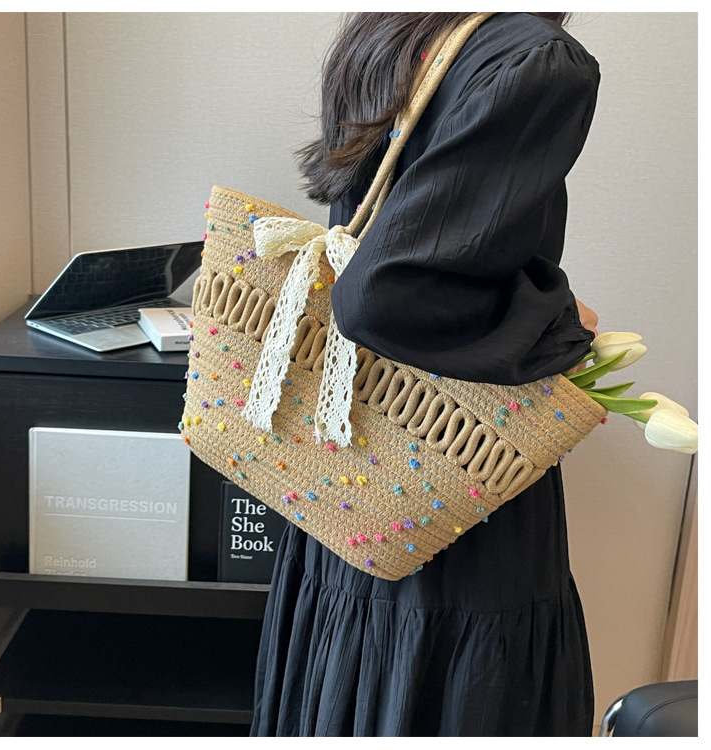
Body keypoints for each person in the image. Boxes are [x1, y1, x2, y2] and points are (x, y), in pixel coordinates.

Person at [250, 11, 601, 737]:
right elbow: (381, 296)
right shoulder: (538, 58)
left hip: (353, 464)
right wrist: (561, 325)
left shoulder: (397, 25)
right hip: (458, 470)